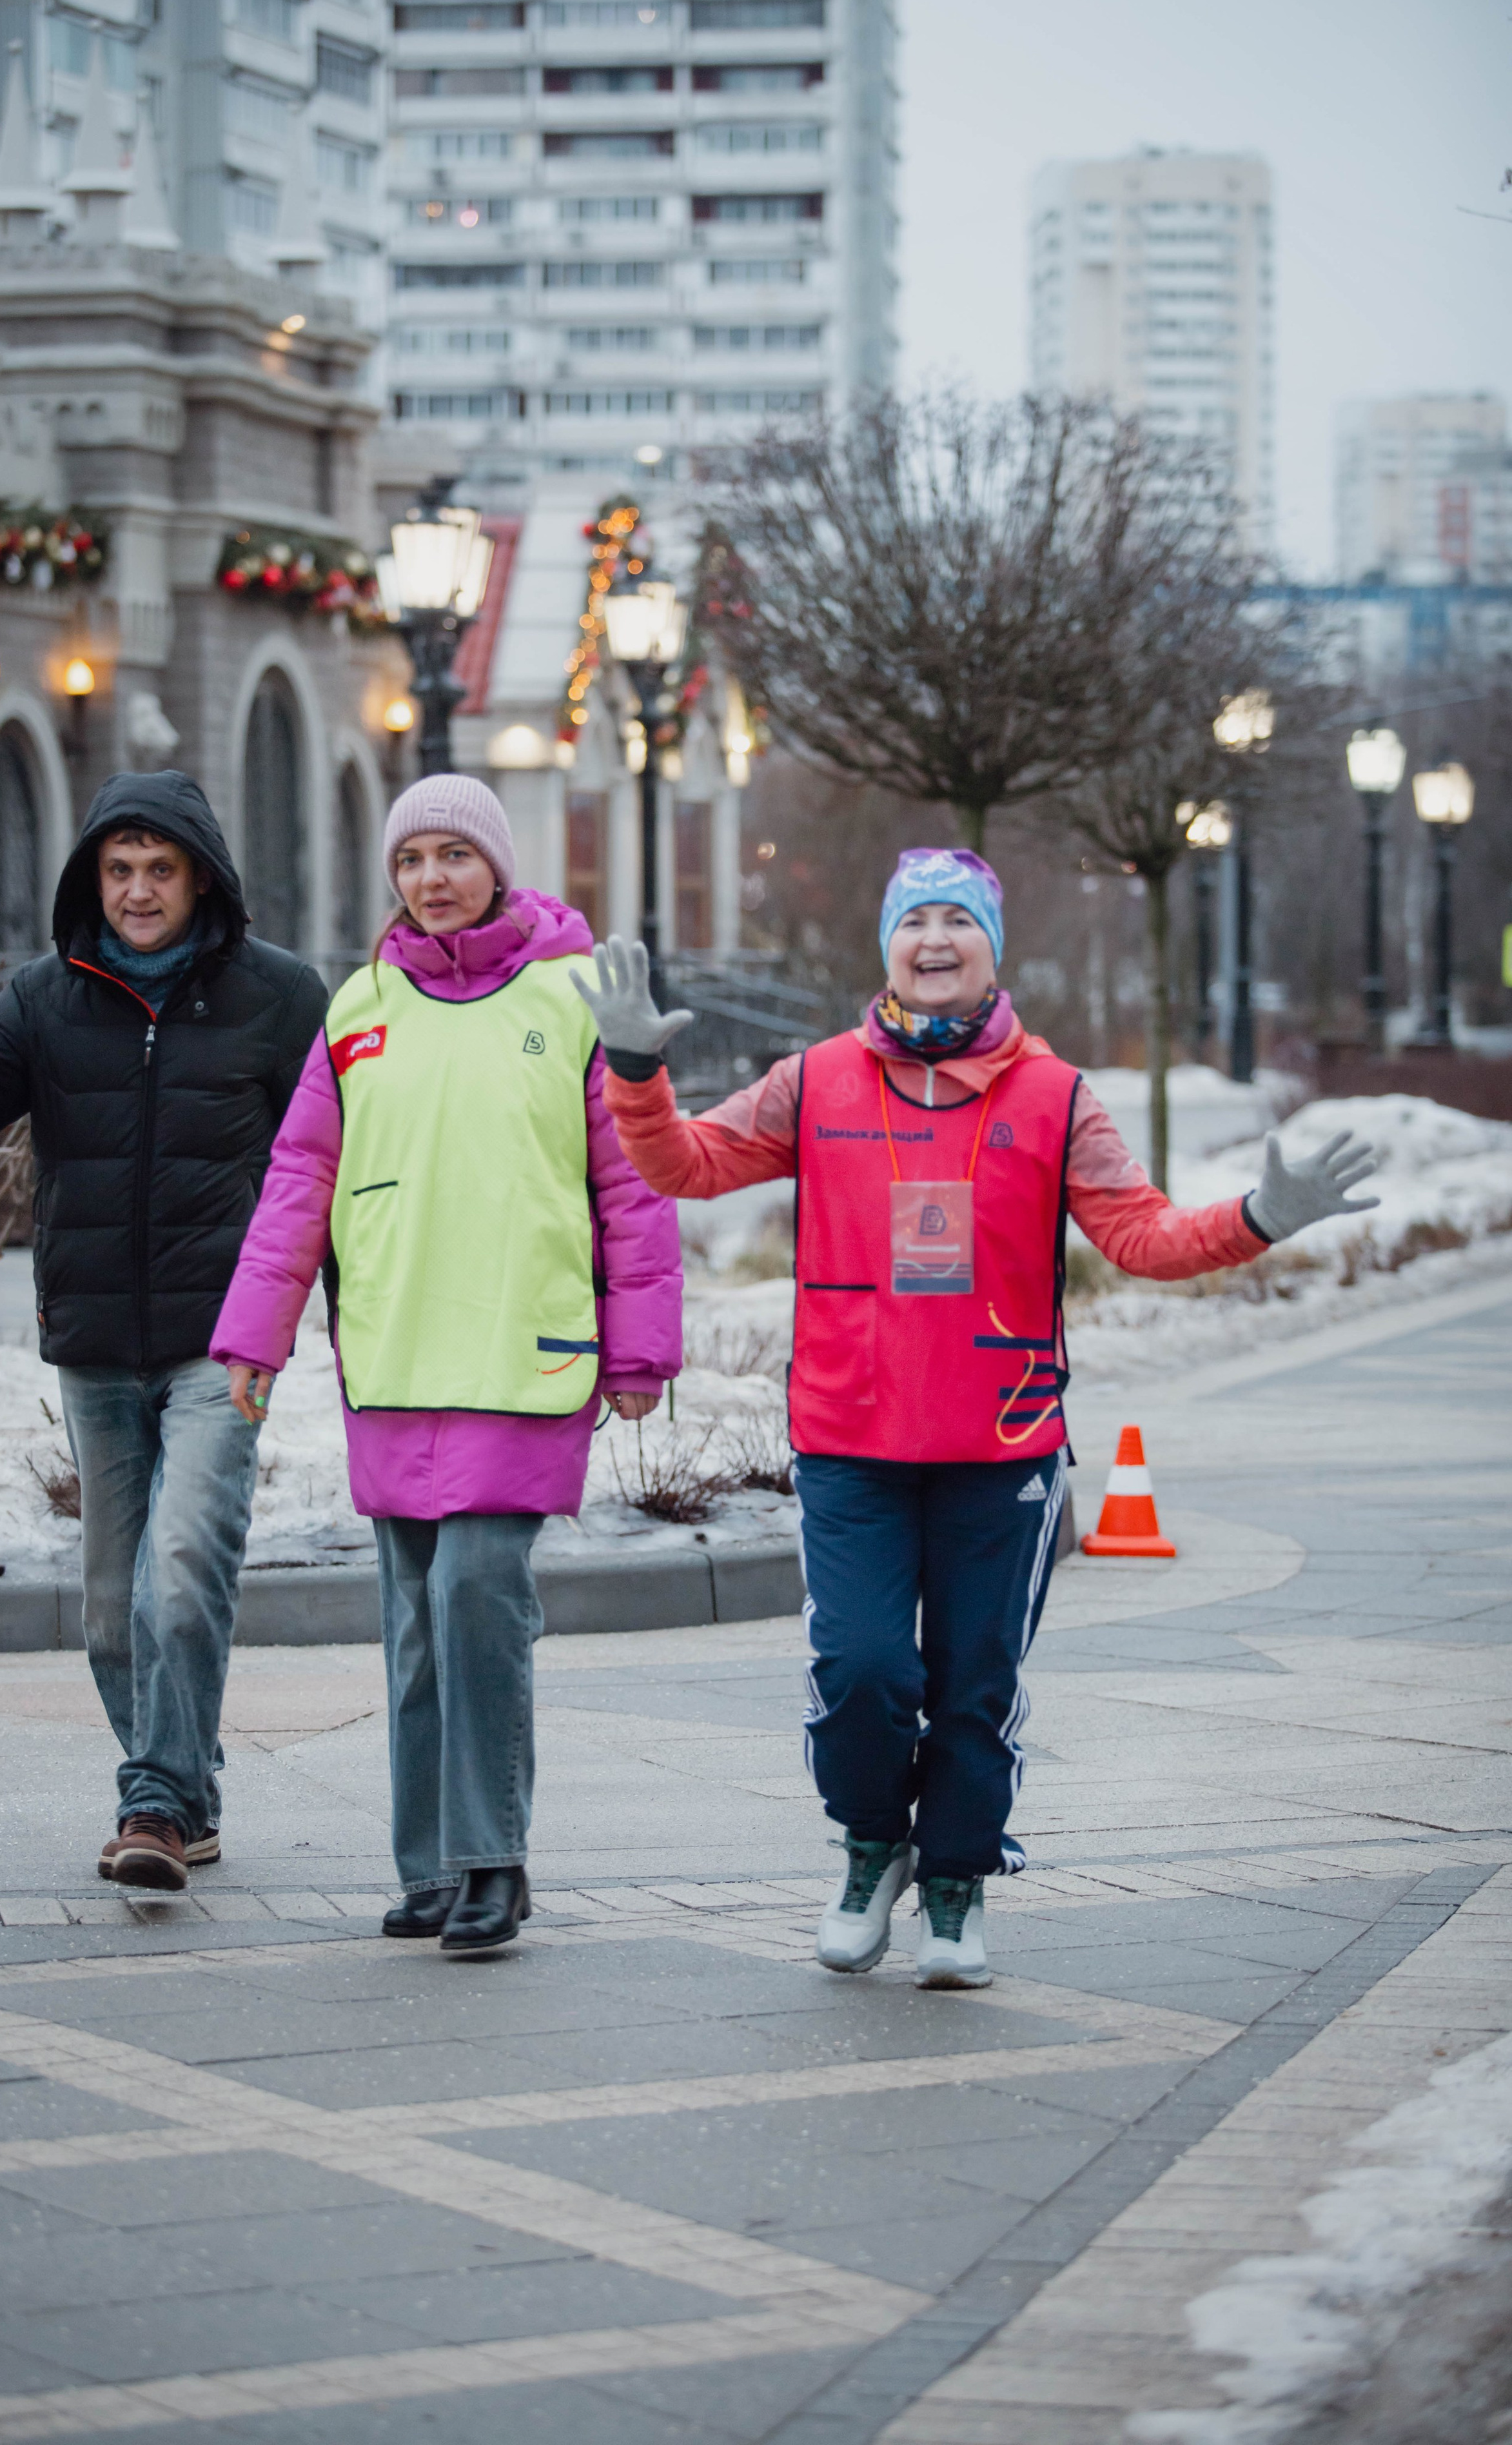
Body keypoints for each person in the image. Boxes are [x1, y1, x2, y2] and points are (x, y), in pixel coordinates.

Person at [573, 847, 1379, 1992]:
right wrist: (635, 1068)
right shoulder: (817, 1081)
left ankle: (955, 1882)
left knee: (975, 1683)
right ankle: (871, 1846)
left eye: (960, 921)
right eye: (917, 922)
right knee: (859, 1673)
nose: (936, 940)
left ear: (991, 949)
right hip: (852, 1441)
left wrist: (1258, 1216)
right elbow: (684, 1167)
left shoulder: (1055, 1098)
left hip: (1001, 1446)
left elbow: (1142, 1237)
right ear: (889, 945)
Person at [211, 774, 682, 1955]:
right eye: (411, 858)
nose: (431, 878)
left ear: (499, 866)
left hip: (523, 1351)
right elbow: (300, 1182)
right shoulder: (361, 1005)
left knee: (478, 1595)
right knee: (415, 1615)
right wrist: (254, 1333)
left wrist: (640, 1343)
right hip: (397, 1347)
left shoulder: (574, 998)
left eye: (453, 854)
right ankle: (427, 1868)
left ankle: (490, 1859)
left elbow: (630, 1184)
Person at [0, 773, 328, 1892]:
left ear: (202, 878)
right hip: (92, 1341)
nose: (138, 892)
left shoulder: (280, 999)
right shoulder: (45, 997)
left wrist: (343, 1313)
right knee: (106, 1613)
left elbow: (321, 1171)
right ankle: (189, 1789)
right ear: (95, 877)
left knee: (181, 1571)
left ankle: (155, 1809)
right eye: (119, 870)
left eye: (161, 870)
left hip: (223, 1343)